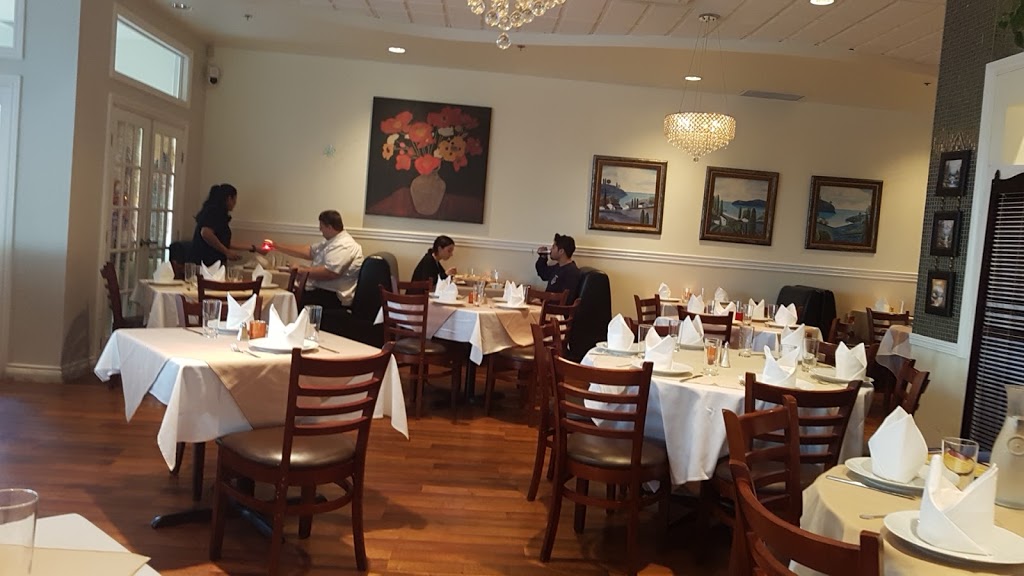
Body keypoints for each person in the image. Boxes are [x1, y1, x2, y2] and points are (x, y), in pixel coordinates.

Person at [262, 210, 363, 310]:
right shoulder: (331, 241)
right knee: (283, 297)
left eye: (321, 226)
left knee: (283, 302)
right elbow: (309, 251)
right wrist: (276, 246)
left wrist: (300, 270)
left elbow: (330, 273)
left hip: (332, 297)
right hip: (321, 291)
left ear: (329, 227)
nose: (320, 229)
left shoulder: (345, 245)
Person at [190, 184, 245, 265]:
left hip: (207, 260)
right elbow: (206, 233)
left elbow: (223, 242)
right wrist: (227, 252)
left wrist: (253, 248)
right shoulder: (215, 212)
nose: (235, 203)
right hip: (208, 262)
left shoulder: (212, 212)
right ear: (229, 198)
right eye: (234, 200)